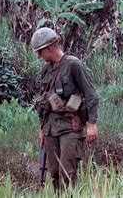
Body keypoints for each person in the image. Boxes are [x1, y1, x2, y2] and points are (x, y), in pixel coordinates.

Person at [31, 27, 99, 190]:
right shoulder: (46, 69)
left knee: (67, 172)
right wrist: (42, 128)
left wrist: (91, 124)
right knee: (53, 173)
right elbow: (43, 101)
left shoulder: (74, 65)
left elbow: (91, 94)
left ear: (49, 47)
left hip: (70, 126)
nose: (39, 56)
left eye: (40, 52)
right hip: (50, 128)